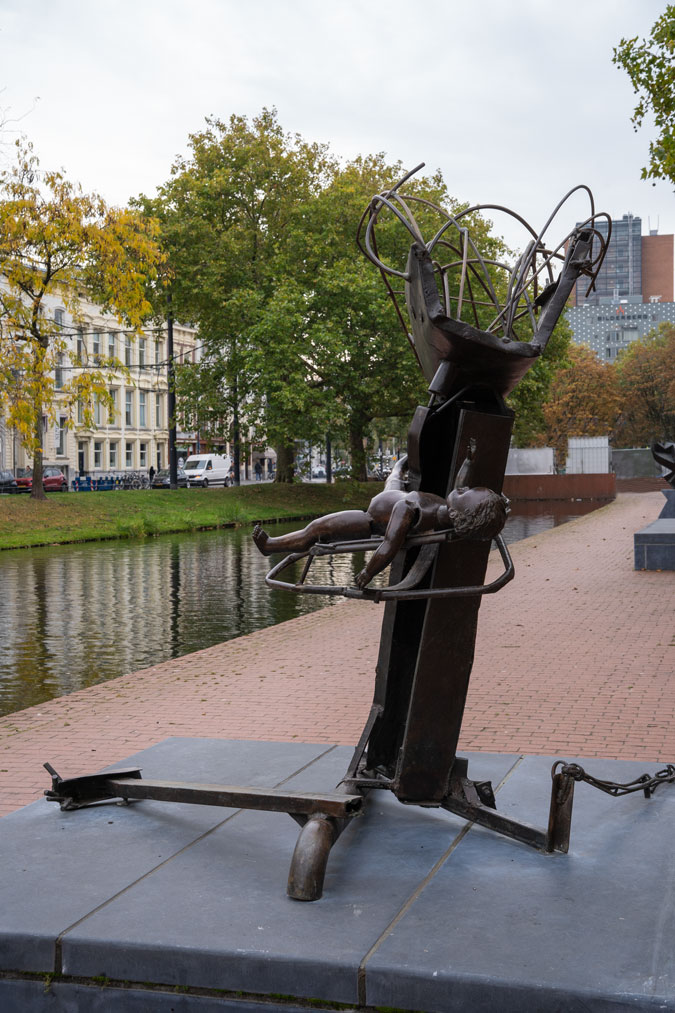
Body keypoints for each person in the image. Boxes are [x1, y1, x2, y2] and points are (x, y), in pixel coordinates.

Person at [252, 440, 509, 588]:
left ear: (460, 513)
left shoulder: (410, 512)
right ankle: (399, 466)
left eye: (465, 493)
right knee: (395, 474)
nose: (462, 488)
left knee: (317, 528)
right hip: (392, 495)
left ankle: (270, 546)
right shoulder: (448, 511)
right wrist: (469, 462)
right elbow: (459, 487)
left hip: (372, 517)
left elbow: (388, 545)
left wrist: (367, 573)